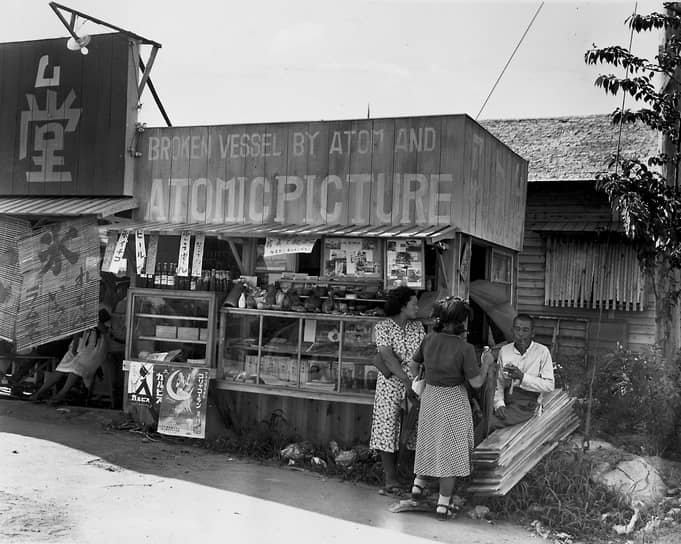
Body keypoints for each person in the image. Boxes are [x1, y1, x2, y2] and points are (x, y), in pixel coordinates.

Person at [409, 296, 492, 519]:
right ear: (457, 321)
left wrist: (423, 376)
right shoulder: (464, 348)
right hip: (452, 399)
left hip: (430, 396)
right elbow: (476, 382)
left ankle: (418, 484)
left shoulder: (428, 340)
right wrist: (485, 364)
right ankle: (442, 504)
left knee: (428, 441)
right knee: (450, 451)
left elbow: (413, 364)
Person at [369, 286, 425, 495]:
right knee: (387, 426)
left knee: (413, 428)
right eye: (413, 304)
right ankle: (390, 479)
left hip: (416, 383)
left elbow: (423, 355)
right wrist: (406, 381)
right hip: (391, 384)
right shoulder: (382, 327)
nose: (417, 308)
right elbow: (387, 357)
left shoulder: (418, 327)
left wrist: (416, 381)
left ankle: (406, 474)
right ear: (403, 307)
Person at [30, 308, 111, 405]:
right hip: (80, 345)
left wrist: (94, 320)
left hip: (95, 349)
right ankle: (40, 393)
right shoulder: (83, 313)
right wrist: (74, 348)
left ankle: (61, 394)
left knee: (76, 368)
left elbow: (105, 330)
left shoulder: (103, 313)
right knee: (60, 369)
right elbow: (77, 333)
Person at [488, 313, 555, 431]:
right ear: (512, 331)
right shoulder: (505, 351)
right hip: (508, 400)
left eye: (525, 330)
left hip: (528, 404)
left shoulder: (542, 352)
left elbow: (549, 385)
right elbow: (499, 382)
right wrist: (499, 404)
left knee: (490, 424)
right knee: (485, 421)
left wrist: (522, 377)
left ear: (532, 333)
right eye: (517, 329)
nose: (520, 334)